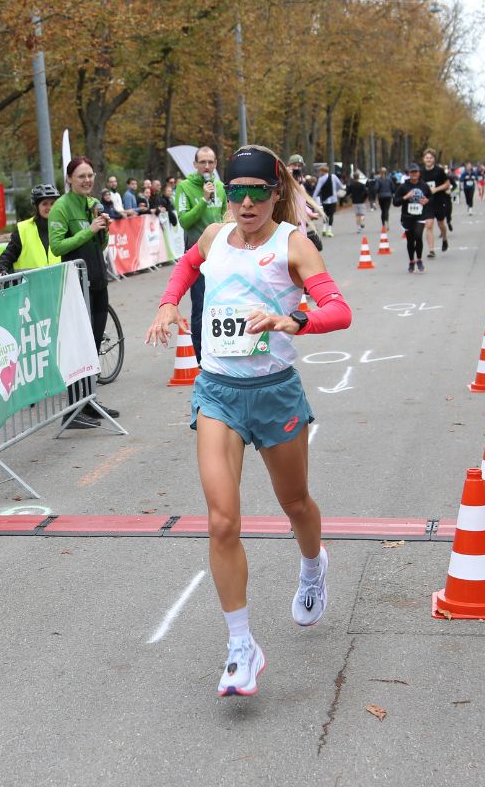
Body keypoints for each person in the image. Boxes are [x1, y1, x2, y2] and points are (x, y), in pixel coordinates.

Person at [145, 144, 352, 697]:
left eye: (258, 190)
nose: (246, 202)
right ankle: (242, 647)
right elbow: (187, 265)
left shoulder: (294, 244)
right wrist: (169, 303)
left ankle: (313, 565)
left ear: (275, 192)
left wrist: (293, 318)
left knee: (296, 504)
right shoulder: (214, 237)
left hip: (274, 394)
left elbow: (340, 309)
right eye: (236, 191)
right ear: (225, 193)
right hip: (217, 393)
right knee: (221, 521)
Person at [49, 156, 120, 427]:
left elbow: (99, 246)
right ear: (69, 179)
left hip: (98, 282)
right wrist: (88, 230)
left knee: (92, 344)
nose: (87, 180)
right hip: (75, 285)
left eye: (90, 175)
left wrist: (102, 231)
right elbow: (57, 247)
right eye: (81, 176)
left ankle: (88, 400)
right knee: (78, 346)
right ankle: (72, 409)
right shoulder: (61, 207)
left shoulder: (93, 205)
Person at [175, 146, 227, 363]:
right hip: (198, 256)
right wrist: (204, 200)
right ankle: (200, 356)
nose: (207, 166)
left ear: (216, 164)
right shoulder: (184, 188)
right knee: (201, 305)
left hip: (223, 255)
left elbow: (227, 217)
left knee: (223, 304)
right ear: (195, 165)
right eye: (203, 162)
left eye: (211, 162)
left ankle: (223, 349)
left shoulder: (221, 187)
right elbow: (185, 221)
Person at [0, 184, 61, 276]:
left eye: (52, 203)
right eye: (45, 203)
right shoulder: (23, 229)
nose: (49, 207)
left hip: (58, 286)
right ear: (36, 206)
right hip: (29, 288)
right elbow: (8, 256)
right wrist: (1, 270)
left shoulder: (62, 227)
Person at [392, 163, 431, 273]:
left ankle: (419, 259)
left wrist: (427, 201)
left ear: (419, 173)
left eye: (416, 172)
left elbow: (431, 197)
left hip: (420, 215)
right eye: (412, 172)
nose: (414, 174)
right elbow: (395, 202)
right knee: (410, 240)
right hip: (407, 217)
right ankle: (411, 261)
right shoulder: (403, 187)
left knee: (418, 236)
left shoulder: (424, 185)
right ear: (409, 174)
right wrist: (406, 196)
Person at [418, 149, 451, 257]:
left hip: (439, 200)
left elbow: (447, 184)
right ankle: (431, 250)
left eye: (430, 158)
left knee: (441, 223)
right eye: (427, 158)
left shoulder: (439, 171)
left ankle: (444, 238)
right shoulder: (420, 173)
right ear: (423, 159)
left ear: (434, 159)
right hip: (428, 202)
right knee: (429, 225)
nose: (428, 160)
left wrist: (436, 189)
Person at [311, 164, 344, 237]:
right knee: (331, 215)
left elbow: (317, 189)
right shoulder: (334, 177)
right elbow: (340, 185)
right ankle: (329, 230)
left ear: (323, 171)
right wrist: (337, 190)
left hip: (325, 200)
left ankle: (324, 228)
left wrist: (312, 199)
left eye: (320, 171)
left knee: (325, 214)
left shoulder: (321, 179)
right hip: (333, 199)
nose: (319, 173)